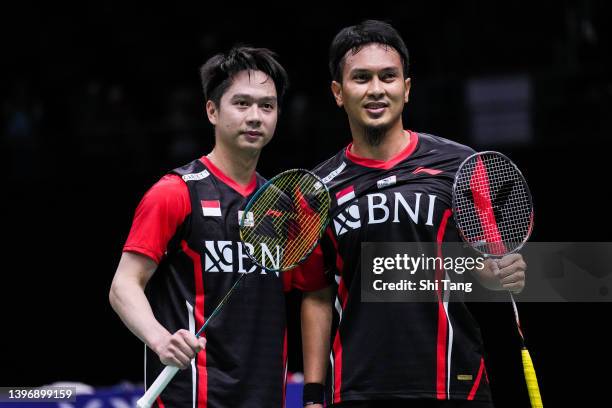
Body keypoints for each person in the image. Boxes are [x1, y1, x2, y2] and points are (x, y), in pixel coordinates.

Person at [300, 20, 527, 408]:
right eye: (361, 78)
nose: (376, 89)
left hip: (453, 384)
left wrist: (502, 274)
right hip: (358, 388)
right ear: (339, 92)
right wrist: (312, 396)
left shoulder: (461, 166)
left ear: (406, 89)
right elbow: (317, 296)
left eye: (388, 77)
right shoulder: (317, 190)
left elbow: (485, 267)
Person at [109, 46, 325, 407]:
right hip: (190, 397)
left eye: (267, 106)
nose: (255, 116)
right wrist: (161, 340)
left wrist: (315, 393)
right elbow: (124, 285)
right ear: (212, 110)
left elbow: (315, 292)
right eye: (241, 103)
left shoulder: (285, 208)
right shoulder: (175, 193)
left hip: (264, 397)